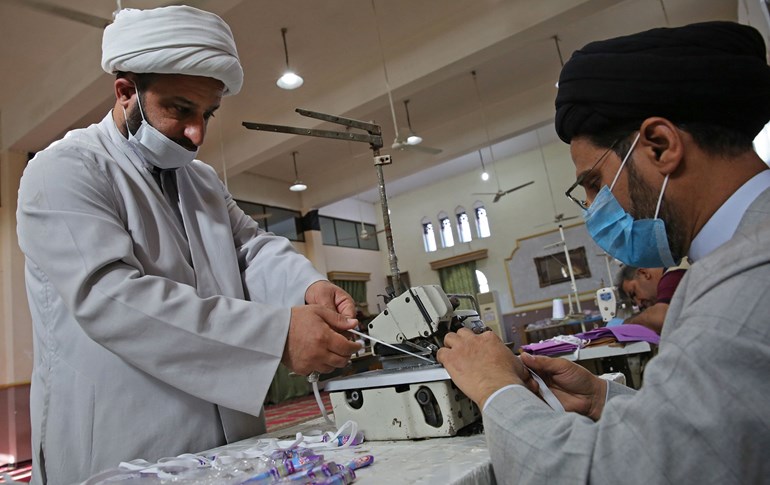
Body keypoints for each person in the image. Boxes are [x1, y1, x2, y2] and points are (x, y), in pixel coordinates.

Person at [15, 6, 362, 484]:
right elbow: (111, 298)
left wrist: (307, 287)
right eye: (180, 109)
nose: (197, 133)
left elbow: (251, 248)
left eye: (207, 113)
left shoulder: (200, 181)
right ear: (125, 92)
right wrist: (277, 336)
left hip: (230, 444)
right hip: (123, 444)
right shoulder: (65, 170)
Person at [437, 21, 770, 484]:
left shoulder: (749, 276)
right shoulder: (737, 261)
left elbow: (614, 476)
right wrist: (600, 398)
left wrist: (496, 388)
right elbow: (720, 439)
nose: (593, 209)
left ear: (660, 145)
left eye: (594, 183)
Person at [615, 258, 689, 334]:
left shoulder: (672, 276)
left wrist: (630, 324)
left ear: (643, 273)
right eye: (635, 303)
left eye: (634, 293)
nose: (639, 304)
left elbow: (661, 319)